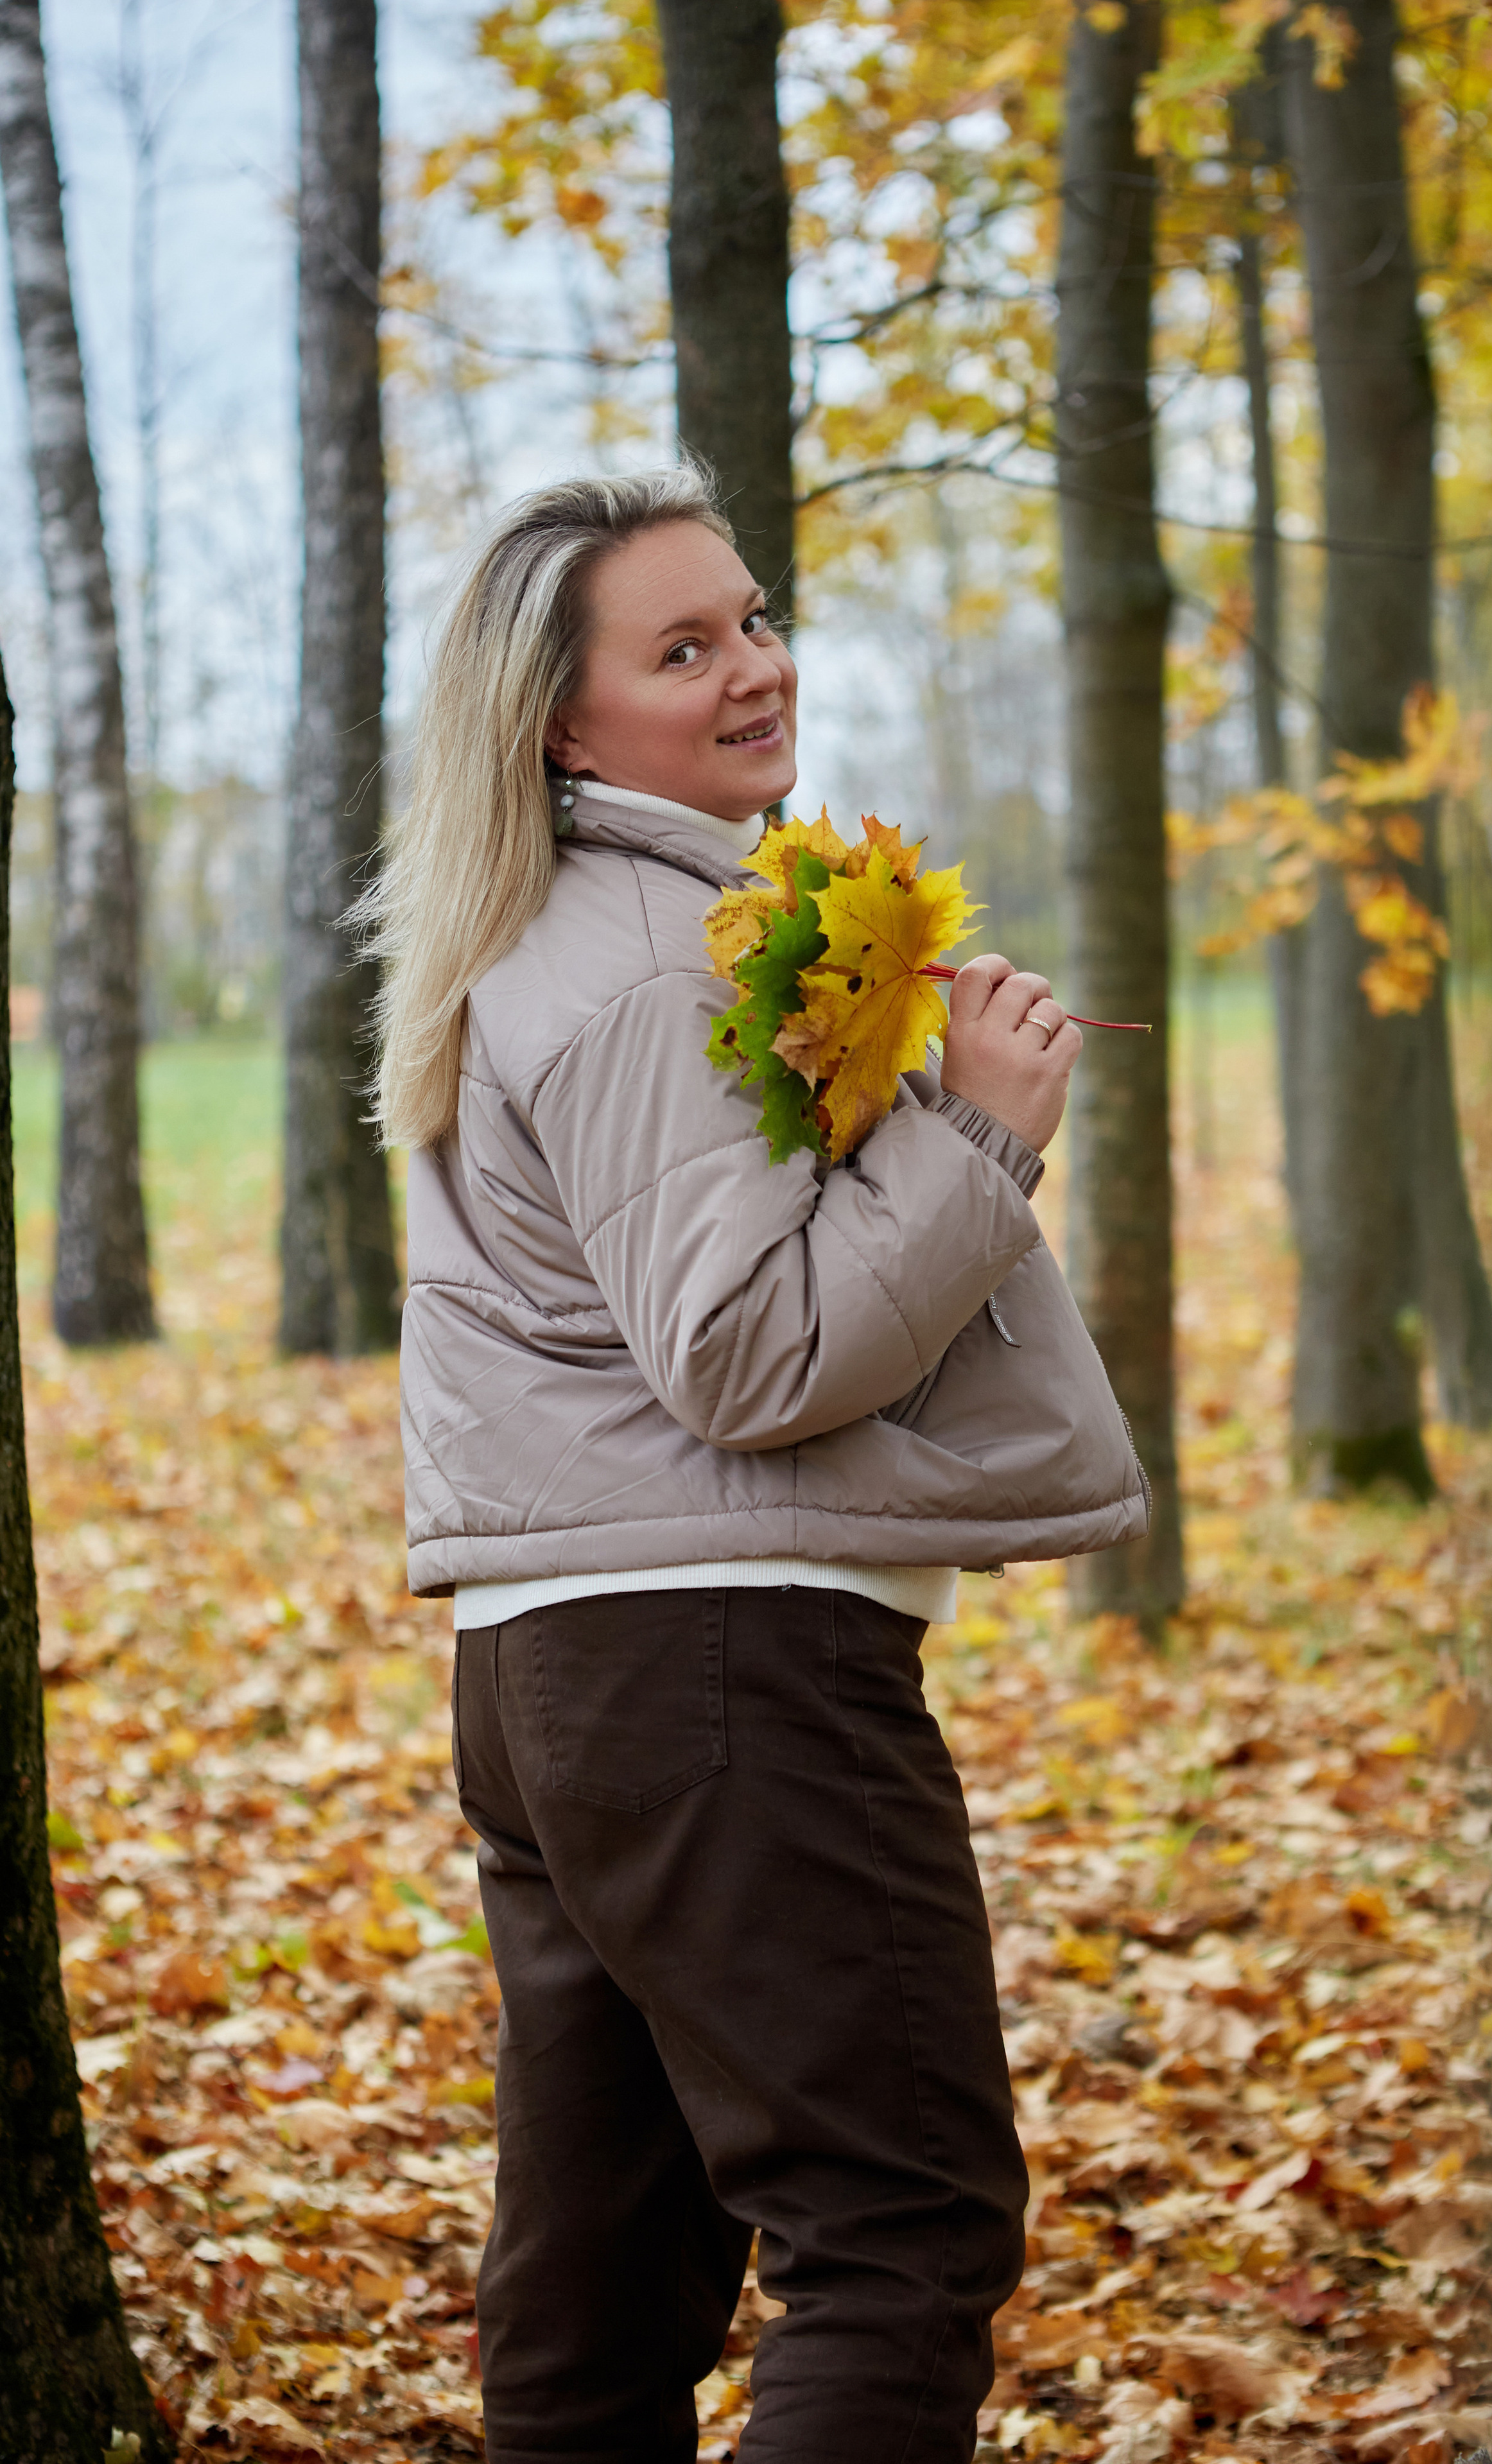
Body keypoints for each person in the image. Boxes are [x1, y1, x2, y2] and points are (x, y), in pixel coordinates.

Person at [360, 466, 1149, 2464]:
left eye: (756, 619)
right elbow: (747, 1354)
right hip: (718, 1660)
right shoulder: (642, 958)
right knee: (901, 2235)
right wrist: (973, 1134)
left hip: (567, 1673)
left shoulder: (582, 925)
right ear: (557, 718)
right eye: (684, 646)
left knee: (605, 2291)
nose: (752, 670)